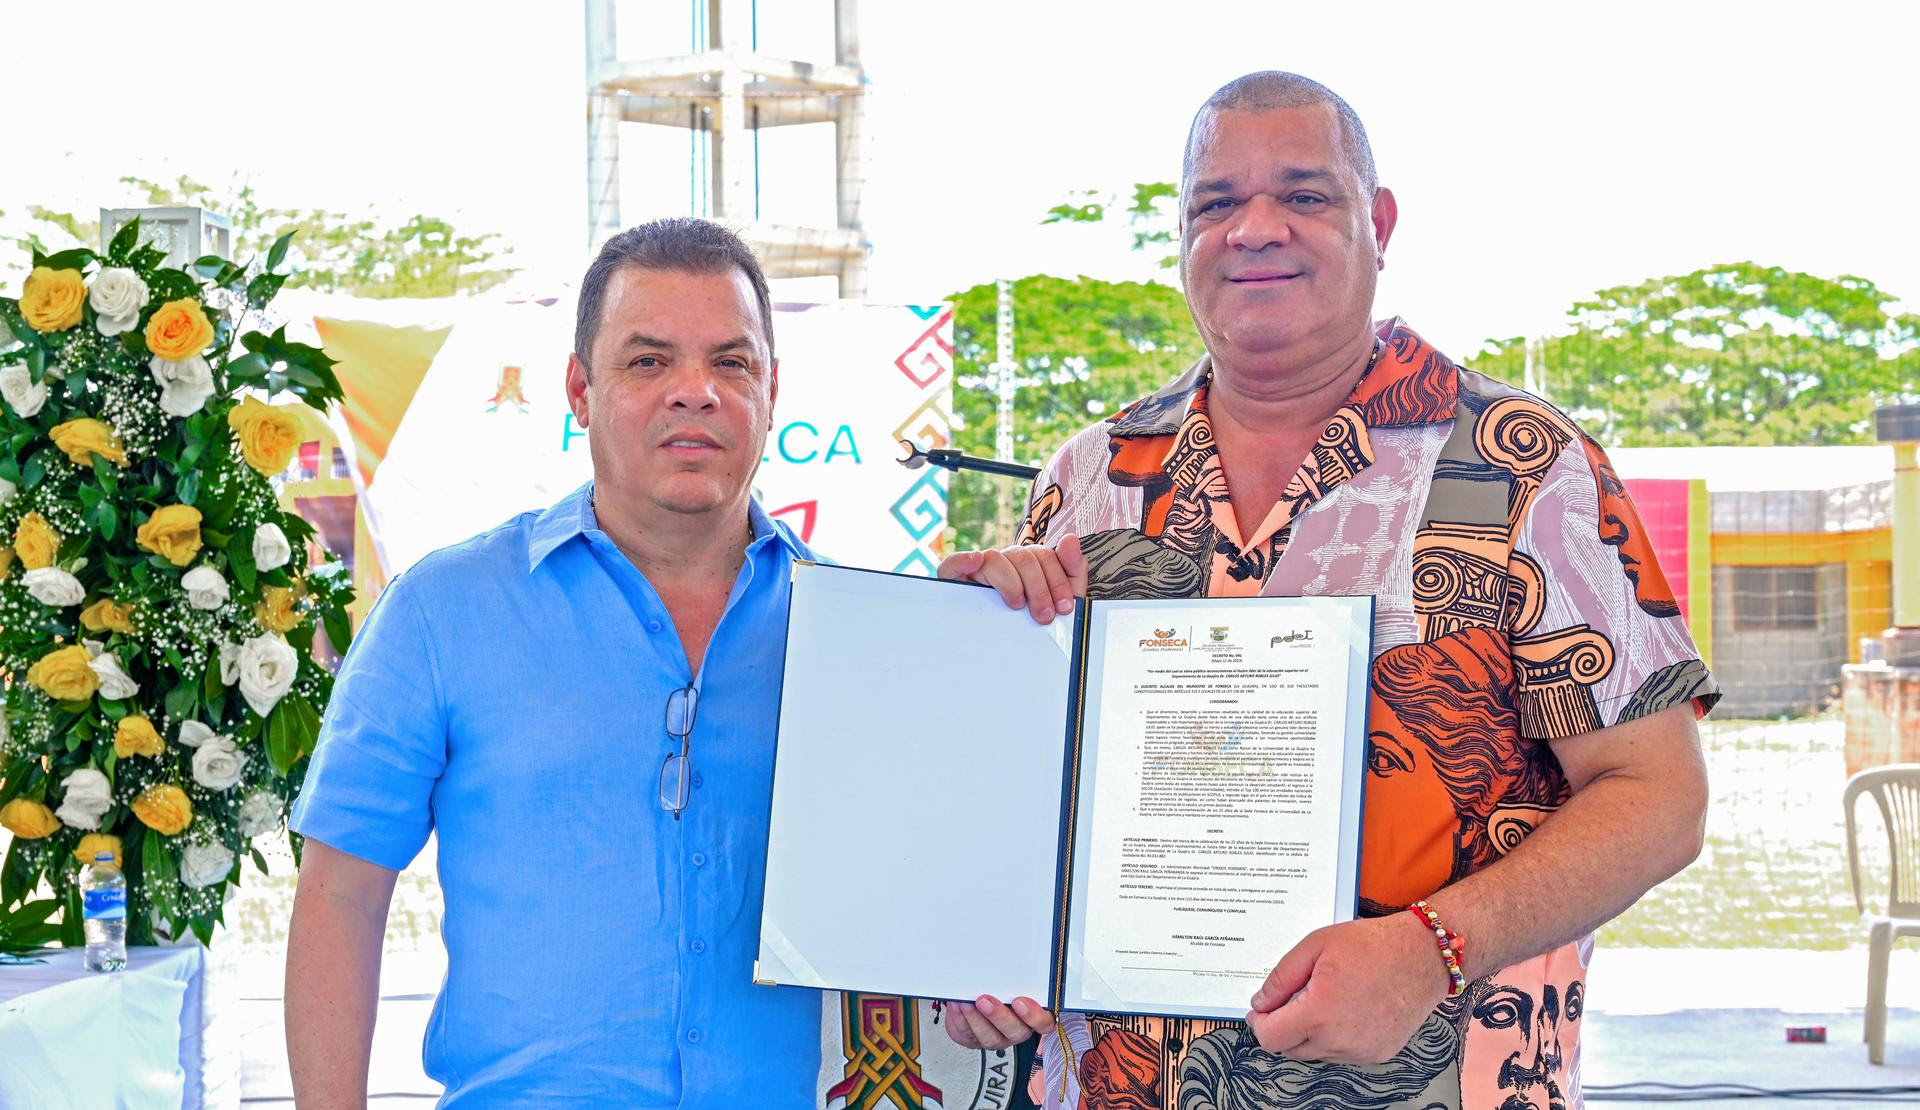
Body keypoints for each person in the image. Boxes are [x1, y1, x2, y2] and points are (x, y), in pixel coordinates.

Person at [938, 71, 1716, 1108]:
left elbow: (1661, 798)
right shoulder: (1089, 478)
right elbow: (1023, 805)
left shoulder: (1525, 466)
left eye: (1303, 195)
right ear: (1182, 232)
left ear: (1378, 221)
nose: (1255, 229)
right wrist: (982, 946)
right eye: (1217, 203)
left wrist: (1430, 949)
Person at [284, 218, 822, 1107]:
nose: (696, 392)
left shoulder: (859, 633)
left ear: (771, 388)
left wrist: (1001, 620)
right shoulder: (443, 610)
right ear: (580, 388)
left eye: (731, 362)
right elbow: (341, 895)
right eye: (649, 361)